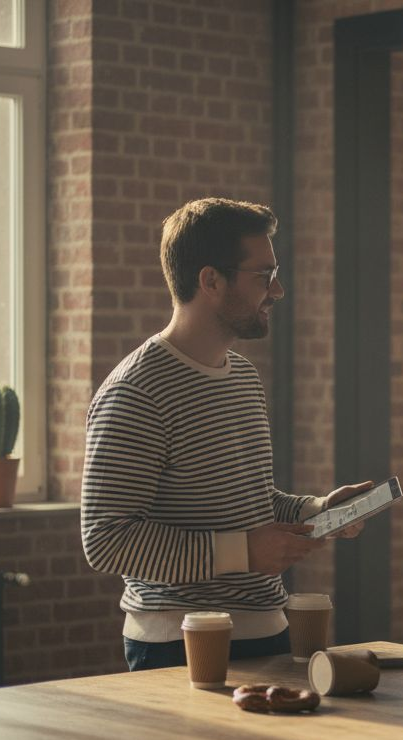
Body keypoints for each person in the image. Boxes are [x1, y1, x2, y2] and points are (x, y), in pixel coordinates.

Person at [81, 197, 370, 671]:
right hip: (179, 643)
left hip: (268, 629)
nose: (277, 290)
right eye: (262, 276)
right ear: (210, 281)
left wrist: (317, 511)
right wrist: (245, 551)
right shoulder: (136, 390)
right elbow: (106, 539)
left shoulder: (241, 376)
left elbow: (246, 500)